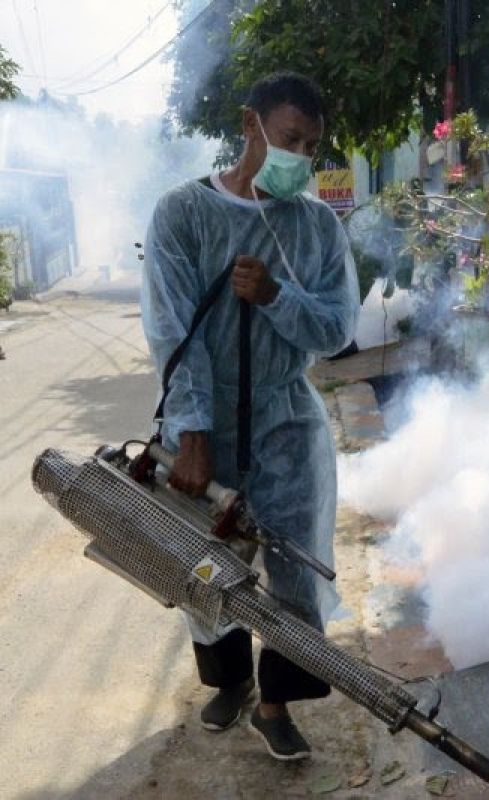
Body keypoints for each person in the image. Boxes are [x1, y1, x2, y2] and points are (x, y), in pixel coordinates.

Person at [140, 72, 359, 761]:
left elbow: (335, 329)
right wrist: (194, 432)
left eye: (312, 146)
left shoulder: (315, 224)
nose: (301, 156)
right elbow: (172, 331)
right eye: (290, 139)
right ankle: (230, 682)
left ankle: (275, 704)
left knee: (297, 570)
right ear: (250, 125)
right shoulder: (182, 213)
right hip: (205, 428)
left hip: (287, 421)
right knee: (207, 566)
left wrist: (274, 295)